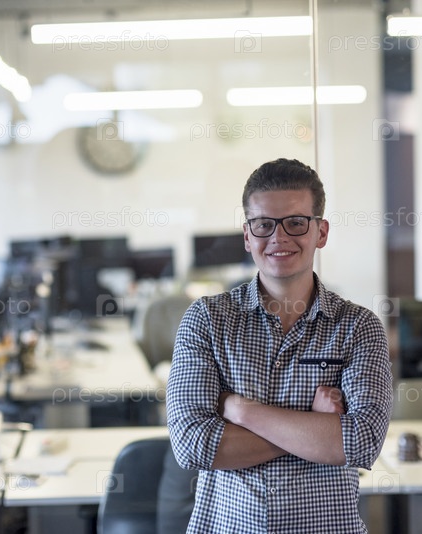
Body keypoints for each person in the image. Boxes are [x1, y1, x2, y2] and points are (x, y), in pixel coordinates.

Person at [166, 158, 393, 533]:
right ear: (247, 236)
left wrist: (241, 411)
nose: (279, 237)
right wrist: (316, 426)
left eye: (296, 223)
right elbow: (192, 445)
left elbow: (360, 443)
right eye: (263, 224)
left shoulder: (358, 327)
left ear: (321, 232)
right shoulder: (207, 320)